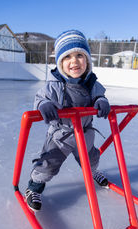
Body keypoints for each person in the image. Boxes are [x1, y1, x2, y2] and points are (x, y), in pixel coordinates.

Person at [25, 30, 110, 211]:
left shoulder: (92, 83)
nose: (74, 61)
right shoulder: (54, 85)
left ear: (87, 60)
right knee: (48, 165)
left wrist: (101, 101)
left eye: (80, 55)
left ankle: (93, 172)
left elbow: (99, 96)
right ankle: (33, 188)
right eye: (67, 57)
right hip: (60, 136)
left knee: (92, 158)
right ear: (60, 63)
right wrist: (44, 104)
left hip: (85, 132)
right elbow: (40, 98)